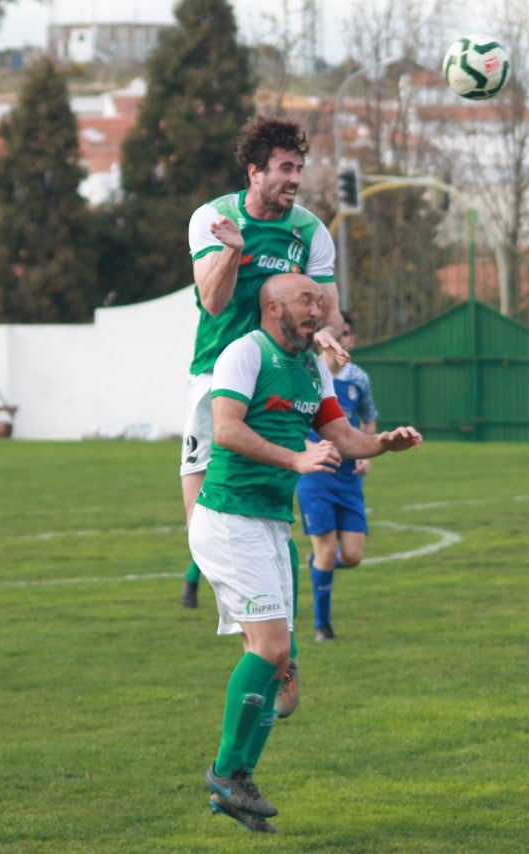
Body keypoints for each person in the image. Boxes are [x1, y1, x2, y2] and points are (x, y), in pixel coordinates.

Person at [190, 273, 421, 833]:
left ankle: (235, 788)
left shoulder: (313, 366)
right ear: (272, 307)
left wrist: (382, 443)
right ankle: (227, 773)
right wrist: (295, 460)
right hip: (228, 517)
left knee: (283, 660)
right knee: (270, 652)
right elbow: (225, 430)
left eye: (321, 300)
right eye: (306, 299)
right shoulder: (244, 353)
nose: (318, 308)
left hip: (269, 523)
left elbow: (342, 435)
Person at [179, 115, 346, 613]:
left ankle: (271, 624)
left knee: (269, 500)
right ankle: (246, 609)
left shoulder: (309, 231)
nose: (295, 178)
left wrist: (325, 337)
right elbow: (212, 302)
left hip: (279, 373)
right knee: (203, 519)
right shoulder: (213, 217)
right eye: (285, 168)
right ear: (254, 172)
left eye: (299, 168)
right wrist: (233, 252)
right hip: (217, 370)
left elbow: (327, 308)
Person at [295, 310, 378, 642]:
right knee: (328, 551)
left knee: (353, 555)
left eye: (341, 334)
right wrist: (306, 450)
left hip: (348, 478)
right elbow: (290, 421)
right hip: (316, 476)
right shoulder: (305, 374)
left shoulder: (358, 378)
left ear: (350, 340)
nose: (335, 340)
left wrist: (368, 453)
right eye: (330, 334)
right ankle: (322, 625)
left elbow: (368, 419)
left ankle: (318, 565)